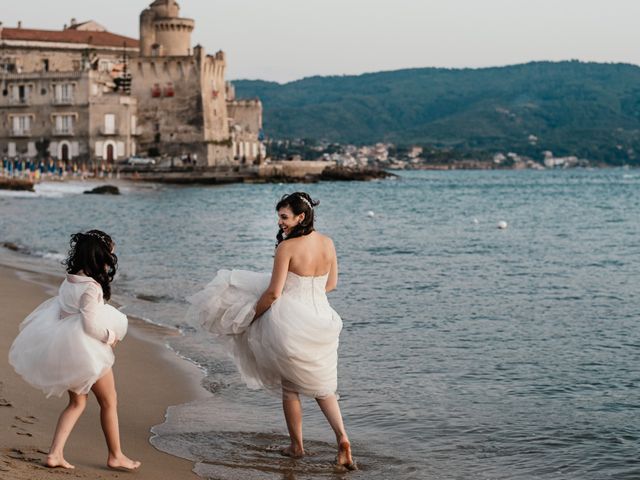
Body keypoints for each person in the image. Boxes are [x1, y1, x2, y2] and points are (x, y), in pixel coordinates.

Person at [188, 192, 356, 470]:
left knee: (290, 390)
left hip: (290, 324)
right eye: (279, 217)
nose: (280, 222)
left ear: (300, 217)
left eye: (284, 217)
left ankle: (297, 447)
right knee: (324, 388)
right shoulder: (328, 243)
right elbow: (332, 284)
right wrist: (306, 295)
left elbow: (274, 294)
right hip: (322, 320)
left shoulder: (287, 248)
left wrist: (249, 318)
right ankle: (343, 440)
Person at [8, 230, 141, 471]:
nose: (111, 257)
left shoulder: (70, 279)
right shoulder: (92, 287)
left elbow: (64, 312)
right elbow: (90, 325)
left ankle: (55, 454)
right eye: (110, 252)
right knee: (109, 402)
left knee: (77, 404)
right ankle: (116, 456)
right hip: (86, 351)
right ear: (100, 256)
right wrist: (110, 337)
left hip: (66, 349)